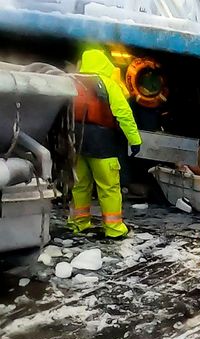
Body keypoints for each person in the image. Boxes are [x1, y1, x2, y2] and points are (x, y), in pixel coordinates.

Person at [68, 49, 142, 239]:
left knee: (79, 184)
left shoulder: (71, 82)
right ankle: (114, 228)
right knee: (108, 187)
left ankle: (79, 223)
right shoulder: (107, 84)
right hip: (102, 143)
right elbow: (123, 114)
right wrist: (134, 140)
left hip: (75, 141)